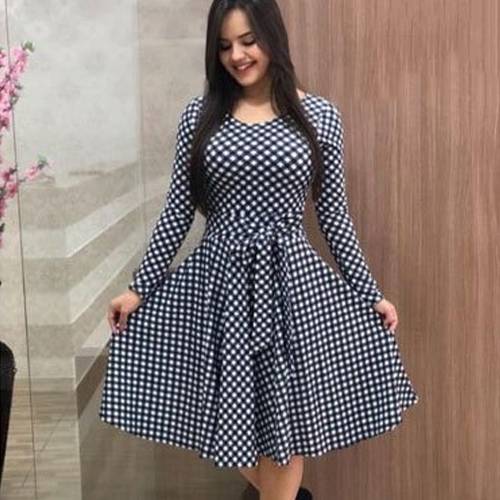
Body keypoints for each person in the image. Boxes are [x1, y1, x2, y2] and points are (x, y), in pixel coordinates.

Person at [99, 1, 419, 499]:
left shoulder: (319, 116)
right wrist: (138, 288)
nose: (237, 55)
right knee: (231, 423)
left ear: (272, 37)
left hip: (291, 287)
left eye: (248, 41)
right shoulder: (198, 116)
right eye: (224, 45)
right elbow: (178, 210)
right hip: (219, 288)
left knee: (282, 430)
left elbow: (333, 215)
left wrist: (369, 292)